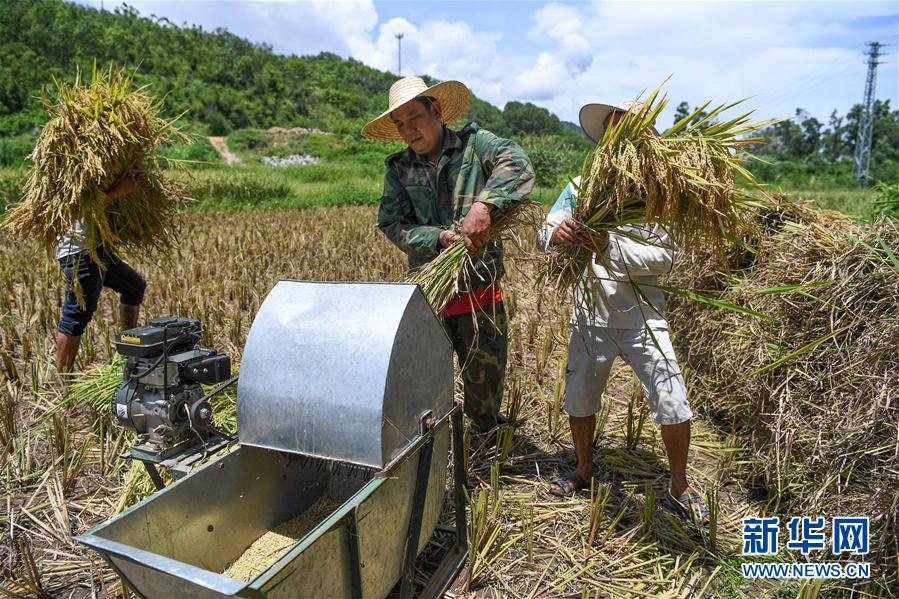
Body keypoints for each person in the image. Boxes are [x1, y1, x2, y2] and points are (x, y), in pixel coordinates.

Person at [538, 100, 708, 524]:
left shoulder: (659, 197)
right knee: (579, 396)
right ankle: (583, 469)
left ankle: (679, 484)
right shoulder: (581, 188)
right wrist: (556, 233)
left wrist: (606, 246)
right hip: (590, 312)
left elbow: (665, 259)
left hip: (644, 319)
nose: (621, 140)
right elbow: (543, 231)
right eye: (614, 132)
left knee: (672, 401)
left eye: (630, 131)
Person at [363, 76, 535, 432]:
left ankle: (486, 442)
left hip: (480, 297)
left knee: (484, 389)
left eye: (415, 117)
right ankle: (434, 452)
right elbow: (392, 223)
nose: (408, 129)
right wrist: (438, 238)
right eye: (400, 124)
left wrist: (485, 206)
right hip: (430, 298)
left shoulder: (476, 146)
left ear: (437, 111)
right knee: (425, 387)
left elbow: (517, 164)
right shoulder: (399, 169)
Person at [55, 170, 147, 372]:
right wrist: (120, 190)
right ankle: (62, 382)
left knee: (134, 287)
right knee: (76, 316)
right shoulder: (71, 170)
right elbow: (82, 207)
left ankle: (130, 353)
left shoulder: (96, 167)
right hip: (79, 252)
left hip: (97, 249)